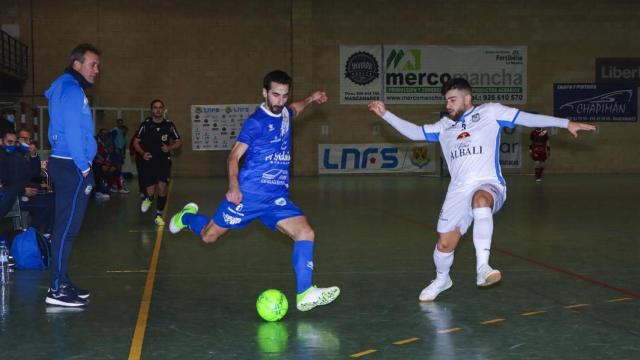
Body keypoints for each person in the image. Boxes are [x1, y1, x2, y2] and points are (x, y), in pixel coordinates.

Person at [368, 78, 595, 302]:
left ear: (467, 98)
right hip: (457, 191)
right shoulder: (444, 126)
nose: (448, 105)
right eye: (446, 100)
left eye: (452, 99)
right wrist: (385, 114)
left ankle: (483, 268)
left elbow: (526, 118)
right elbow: (416, 132)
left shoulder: (490, 112)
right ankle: (442, 279)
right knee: (444, 244)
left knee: (480, 200)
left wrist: (565, 123)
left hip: (489, 184)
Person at [169, 70, 340, 312]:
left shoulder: (285, 113)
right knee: (209, 237)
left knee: (306, 233)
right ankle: (186, 217)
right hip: (247, 195)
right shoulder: (256, 122)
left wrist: (311, 98)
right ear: (264, 93)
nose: (280, 101)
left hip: (276, 198)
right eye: (275, 95)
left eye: (284, 95)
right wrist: (234, 186)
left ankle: (305, 293)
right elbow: (233, 156)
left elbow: (296, 108)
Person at [44, 43, 101, 307]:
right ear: (77, 64)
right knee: (66, 229)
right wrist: (84, 165)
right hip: (72, 166)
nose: (96, 70)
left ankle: (62, 281)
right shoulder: (70, 89)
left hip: (68, 164)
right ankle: (56, 289)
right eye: (93, 64)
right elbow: (73, 131)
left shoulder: (67, 87)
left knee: (67, 229)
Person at [132, 100, 182, 226]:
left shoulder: (169, 125)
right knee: (150, 190)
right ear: (151, 110)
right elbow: (135, 142)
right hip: (149, 161)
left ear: (163, 109)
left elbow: (178, 142)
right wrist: (143, 153)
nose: (158, 110)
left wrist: (170, 148)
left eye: (160, 107)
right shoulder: (146, 125)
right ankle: (149, 199)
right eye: (155, 108)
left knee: (162, 187)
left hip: (164, 161)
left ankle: (159, 215)